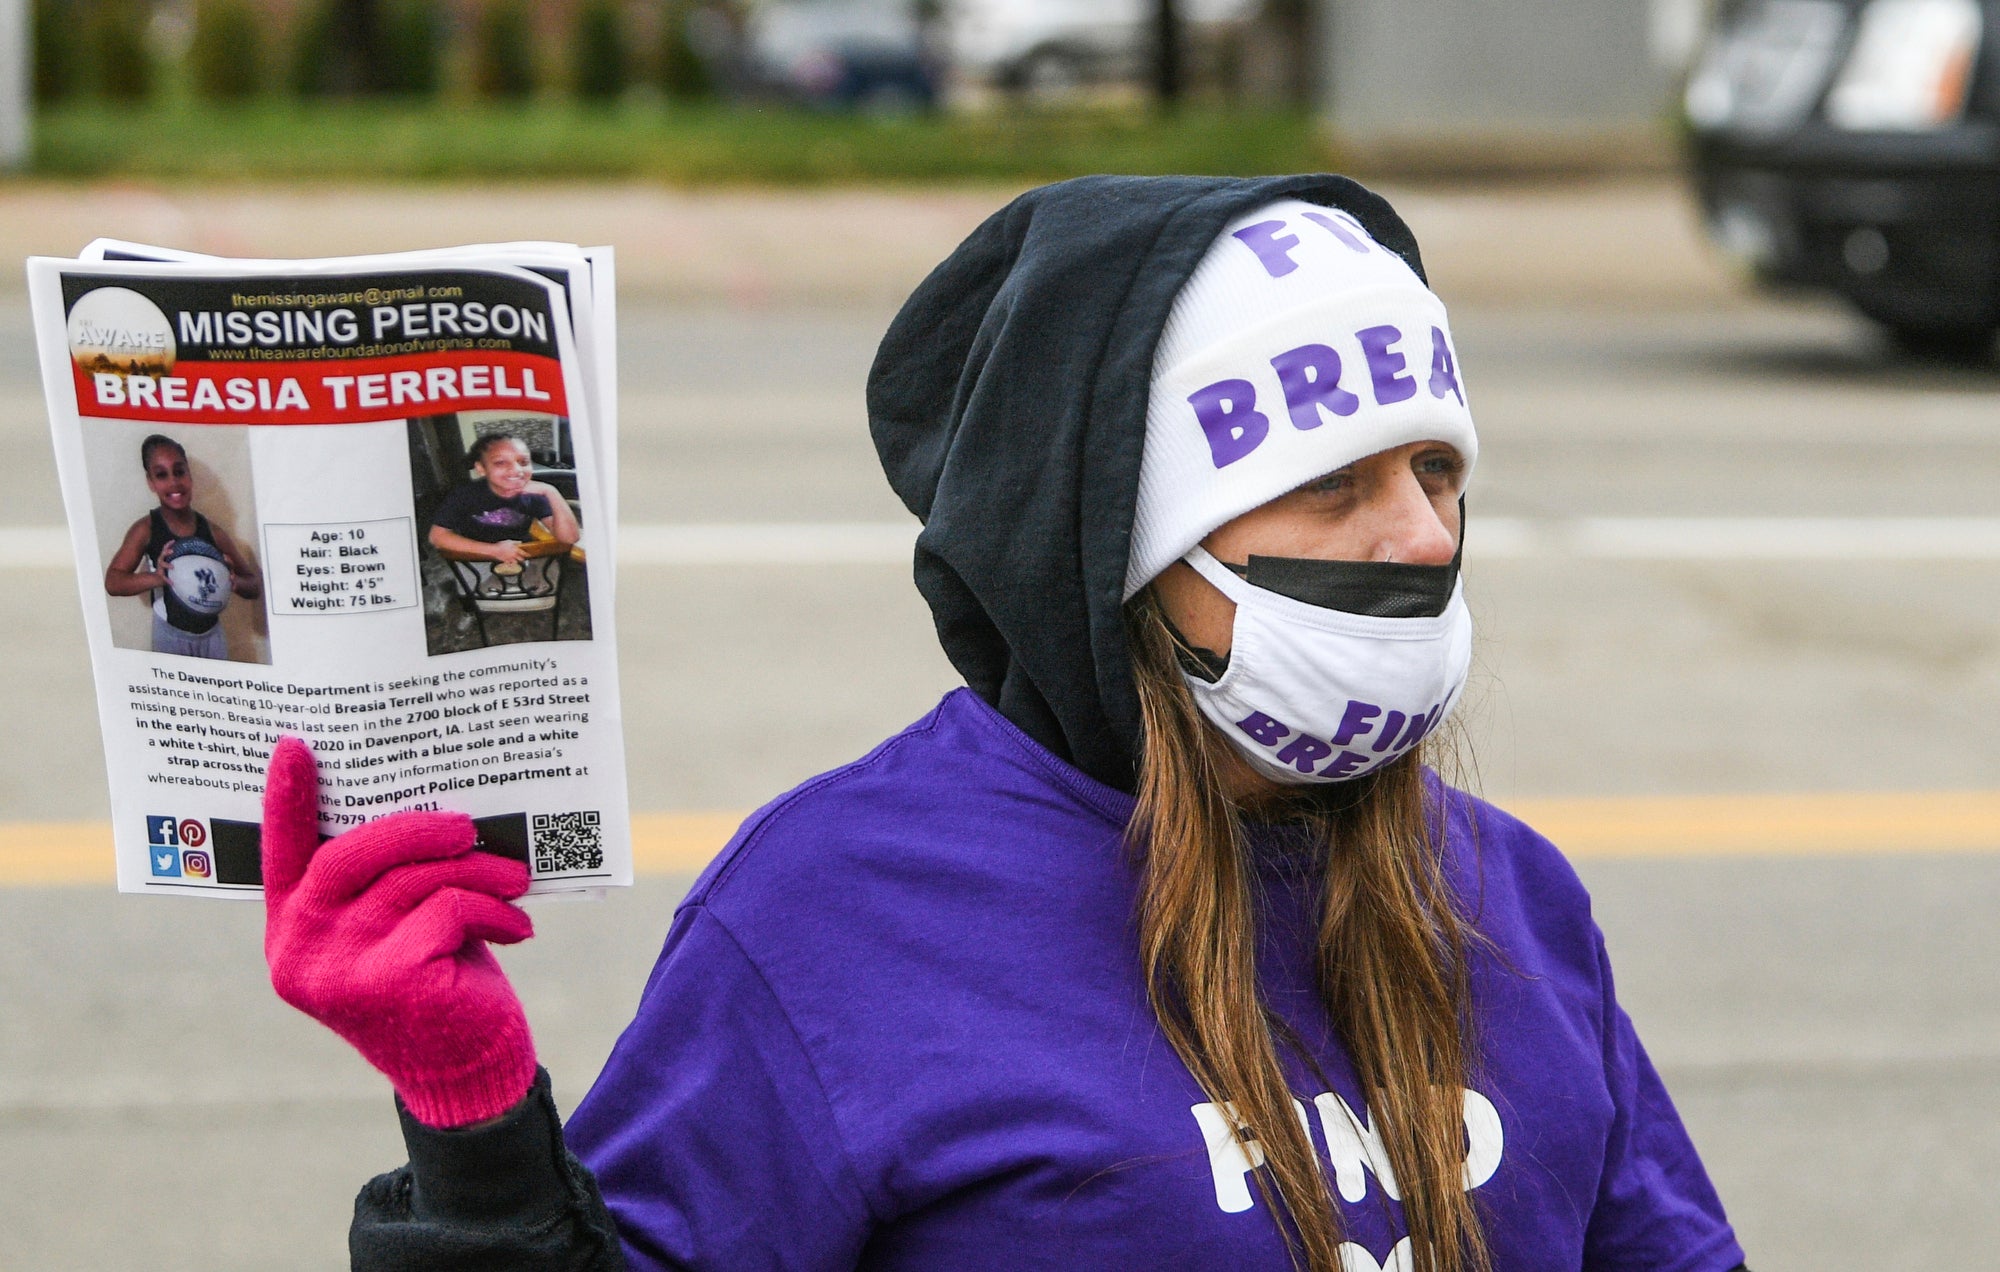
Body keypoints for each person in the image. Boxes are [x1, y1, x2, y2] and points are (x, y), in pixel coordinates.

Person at [259, 176, 1749, 1272]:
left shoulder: (1514, 896)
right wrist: (470, 1123)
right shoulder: (831, 913)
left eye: (1438, 471)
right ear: (1116, 539)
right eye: (1336, 482)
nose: (1423, 537)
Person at [104, 434, 261, 660]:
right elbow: (113, 582)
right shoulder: (146, 529)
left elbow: (254, 585)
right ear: (151, 482)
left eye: (179, 471)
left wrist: (234, 580)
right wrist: (156, 578)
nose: (174, 482)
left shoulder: (212, 532)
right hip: (170, 637)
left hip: (212, 637)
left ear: (189, 475)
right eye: (161, 475)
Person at [426, 433, 581, 567]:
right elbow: (437, 537)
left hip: (520, 553)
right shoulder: (464, 494)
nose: (516, 470)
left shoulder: (535, 495)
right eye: (500, 463)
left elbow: (569, 538)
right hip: (474, 555)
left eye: (523, 462)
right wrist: (494, 550)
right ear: (481, 468)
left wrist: (551, 492)